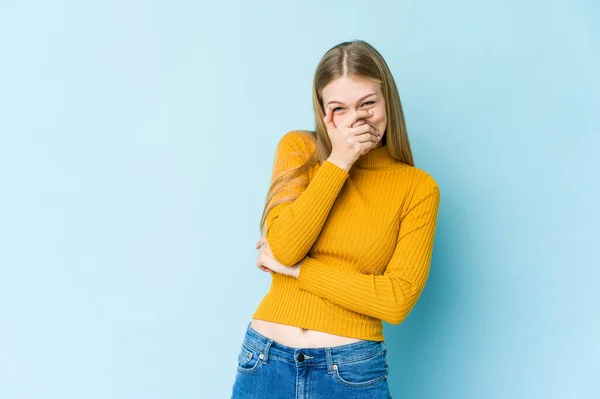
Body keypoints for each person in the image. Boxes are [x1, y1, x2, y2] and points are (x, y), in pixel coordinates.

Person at [230, 39, 441, 398]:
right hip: (264, 361)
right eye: (338, 108)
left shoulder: (416, 187)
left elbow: (395, 301)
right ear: (323, 111)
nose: (356, 119)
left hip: (352, 370)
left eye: (368, 104)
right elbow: (284, 247)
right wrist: (339, 161)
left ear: (387, 100)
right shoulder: (299, 149)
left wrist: (297, 271)